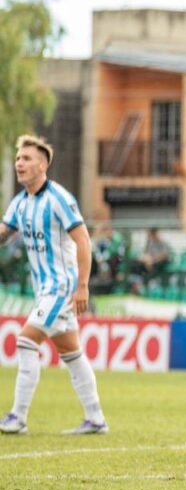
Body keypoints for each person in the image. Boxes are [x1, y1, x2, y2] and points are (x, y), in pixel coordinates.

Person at [0, 135, 107, 435]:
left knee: (25, 341)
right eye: (18, 158)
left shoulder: (59, 198)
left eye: (26, 158)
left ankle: (17, 417)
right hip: (44, 291)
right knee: (72, 353)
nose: (19, 163)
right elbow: (4, 233)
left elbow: (83, 239)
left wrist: (83, 286)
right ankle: (96, 419)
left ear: (43, 164)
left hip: (62, 287)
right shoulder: (20, 203)